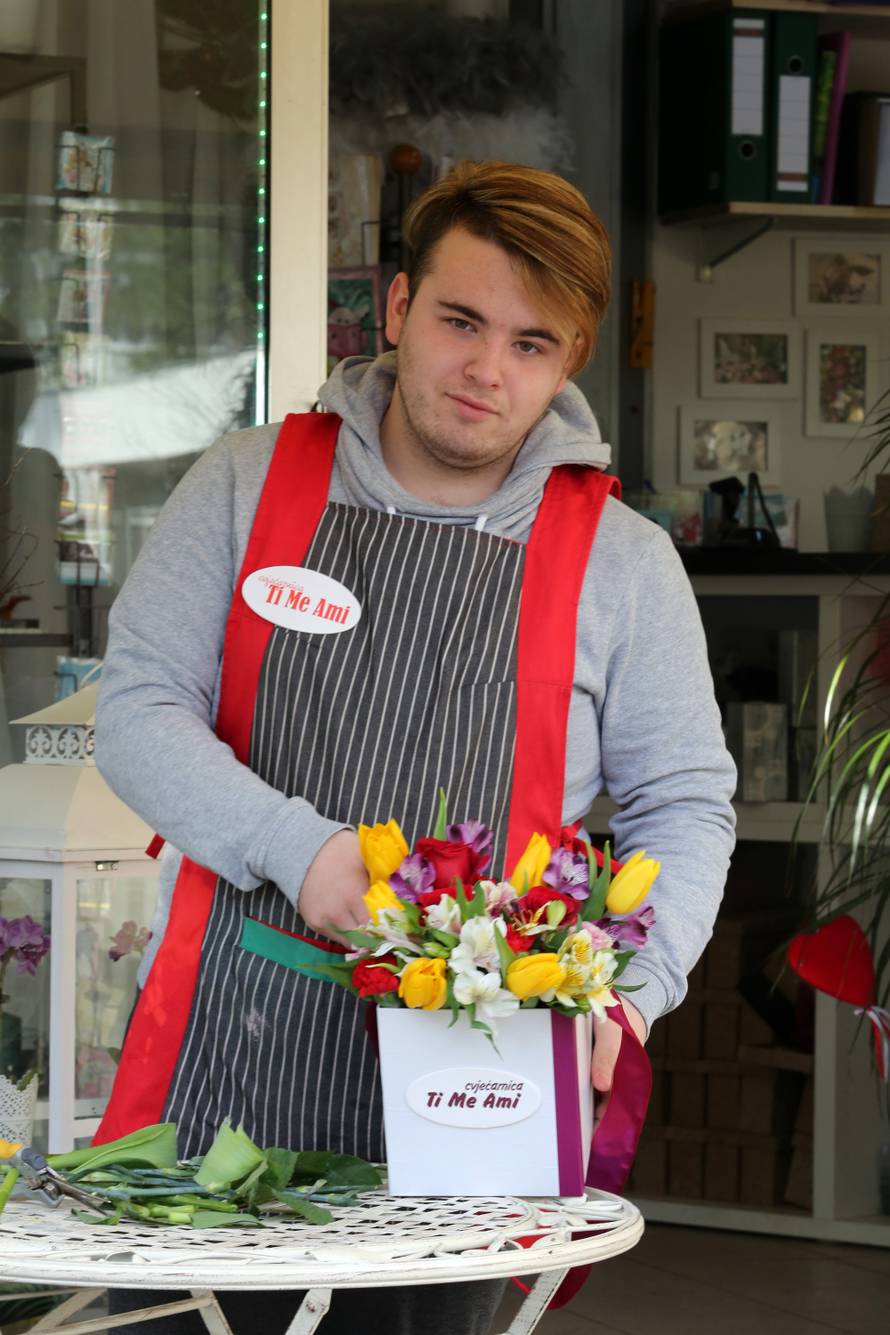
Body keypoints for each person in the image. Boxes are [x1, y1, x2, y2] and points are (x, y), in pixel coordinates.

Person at [94, 160, 736, 1334]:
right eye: (459, 321)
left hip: (476, 1085)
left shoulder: (624, 562)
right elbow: (135, 708)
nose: (488, 370)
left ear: (567, 362)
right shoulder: (247, 485)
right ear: (394, 310)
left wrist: (628, 994)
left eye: (532, 344)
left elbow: (684, 805)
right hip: (237, 1053)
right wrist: (297, 847)